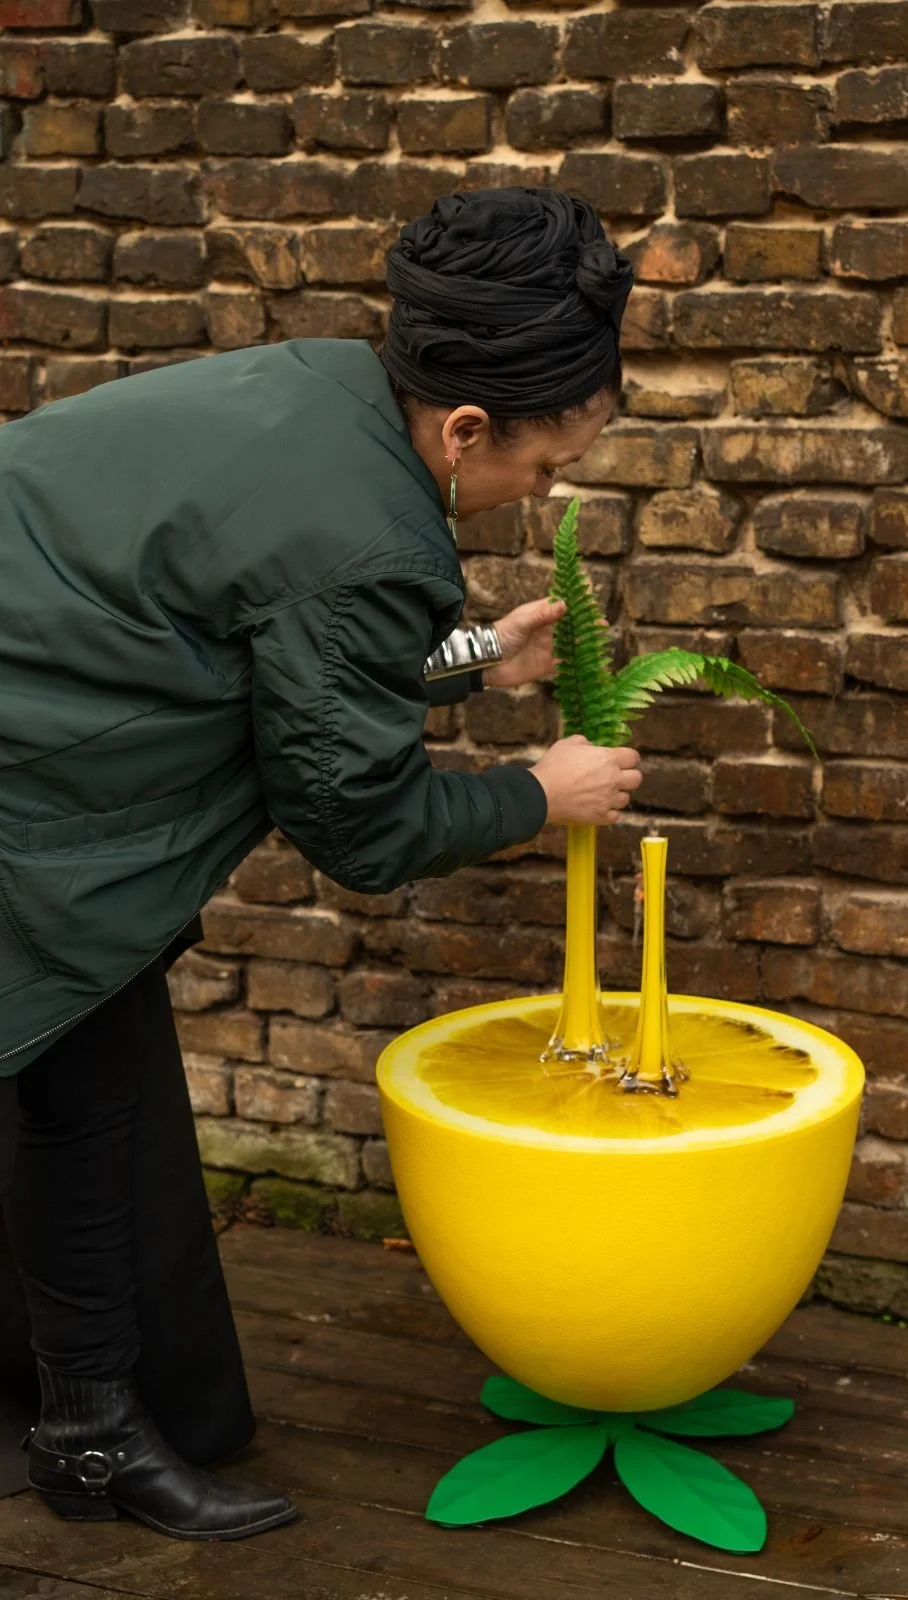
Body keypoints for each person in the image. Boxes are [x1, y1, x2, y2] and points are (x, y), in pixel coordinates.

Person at [0, 187, 643, 1538]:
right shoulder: (369, 538)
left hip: (40, 731)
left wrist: (468, 659)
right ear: (466, 429)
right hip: (31, 789)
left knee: (78, 1102)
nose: (548, 493)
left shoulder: (324, 388)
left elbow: (261, 638)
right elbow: (358, 821)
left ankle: (88, 1428)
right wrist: (539, 792)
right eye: (542, 465)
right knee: (78, 1101)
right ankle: (92, 1440)